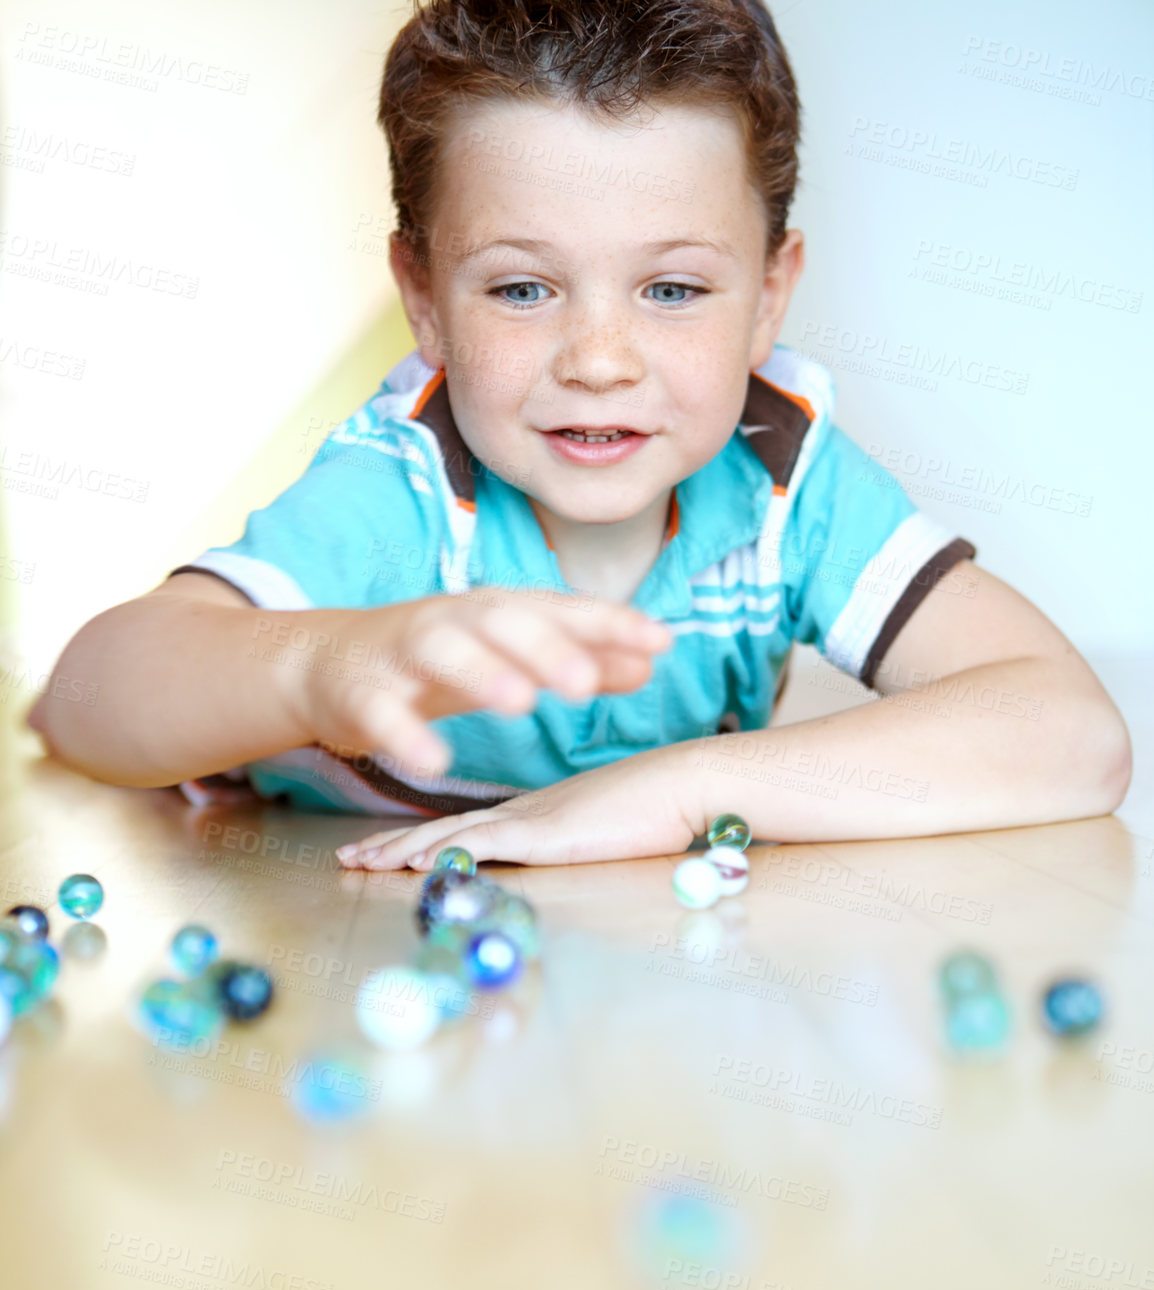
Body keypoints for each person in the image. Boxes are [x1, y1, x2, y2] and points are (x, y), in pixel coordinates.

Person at [29, 0, 1131, 870]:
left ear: (766, 295)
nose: (598, 359)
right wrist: (329, 663)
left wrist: (682, 788)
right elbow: (77, 701)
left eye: (670, 289)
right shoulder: (403, 490)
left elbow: (1068, 731)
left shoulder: (782, 477)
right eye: (519, 289)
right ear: (422, 299)